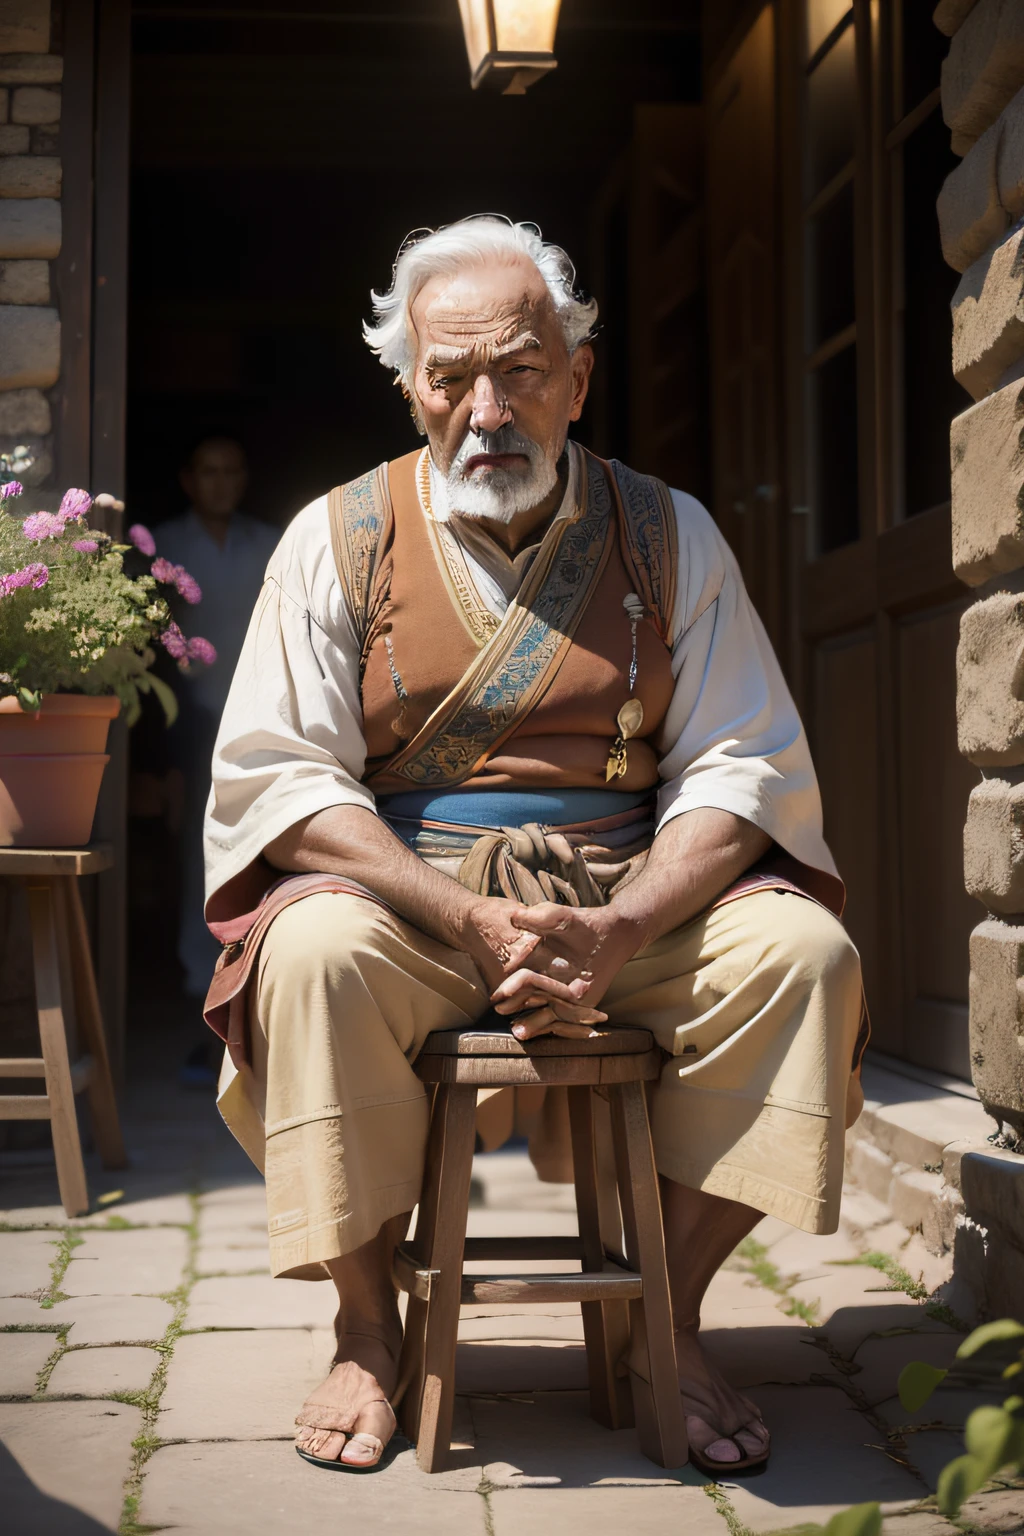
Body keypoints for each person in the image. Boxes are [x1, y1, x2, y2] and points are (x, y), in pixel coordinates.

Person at [203, 217, 865, 1476]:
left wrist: (622, 926)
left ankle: (665, 1320)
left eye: (518, 370)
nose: (486, 408)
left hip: (630, 909)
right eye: (451, 379)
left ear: (577, 375)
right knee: (311, 954)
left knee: (801, 955)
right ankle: (361, 1327)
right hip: (415, 913)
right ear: (411, 388)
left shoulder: (668, 535)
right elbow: (284, 775)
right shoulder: (335, 537)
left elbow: (741, 758)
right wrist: (460, 916)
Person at [156, 435, 279, 1066]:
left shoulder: (269, 543)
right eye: (209, 471)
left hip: (260, 720)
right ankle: (194, 995)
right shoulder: (163, 547)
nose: (221, 482)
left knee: (263, 854)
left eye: (232, 470)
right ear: (188, 479)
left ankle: (253, 996)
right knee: (197, 861)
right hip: (195, 725)